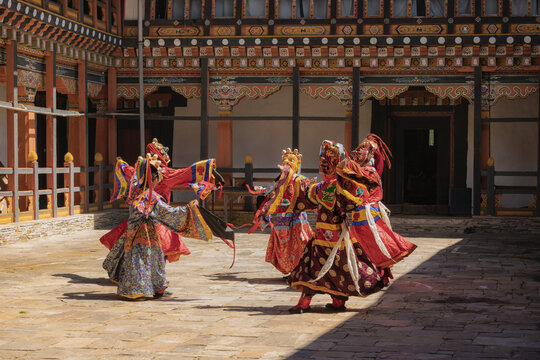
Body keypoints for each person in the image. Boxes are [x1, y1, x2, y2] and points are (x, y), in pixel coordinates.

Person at [259, 141, 390, 313]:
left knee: (312, 269)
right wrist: (291, 174)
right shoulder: (338, 187)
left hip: (326, 238)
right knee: (340, 268)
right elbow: (307, 191)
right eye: (323, 160)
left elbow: (306, 191)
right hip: (336, 237)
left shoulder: (331, 187)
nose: (323, 164)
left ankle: (306, 302)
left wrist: (292, 176)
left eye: (326, 161)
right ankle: (337, 301)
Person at [102, 154, 219, 299]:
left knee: (135, 261)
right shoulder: (151, 197)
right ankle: (153, 288)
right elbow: (169, 213)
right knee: (152, 261)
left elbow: (129, 171)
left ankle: (134, 289)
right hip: (148, 234)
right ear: (153, 179)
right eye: (157, 178)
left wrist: (121, 163)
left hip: (132, 233)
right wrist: (189, 208)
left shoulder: (134, 190)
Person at [100, 138, 222, 263]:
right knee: (159, 247)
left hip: (140, 214)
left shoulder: (140, 171)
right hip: (159, 215)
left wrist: (120, 163)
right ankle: (153, 277)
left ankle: (132, 274)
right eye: (163, 152)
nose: (165, 155)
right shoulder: (165, 173)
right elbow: (186, 173)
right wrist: (208, 169)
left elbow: (127, 170)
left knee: (133, 246)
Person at [348, 134, 417, 269]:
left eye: (361, 150)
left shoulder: (368, 172)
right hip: (363, 214)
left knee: (370, 243)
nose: (357, 153)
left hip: (366, 214)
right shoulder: (368, 171)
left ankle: (373, 271)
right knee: (366, 243)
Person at [252, 149, 313, 275]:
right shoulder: (279, 180)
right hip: (280, 218)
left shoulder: (299, 179)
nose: (287, 162)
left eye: (291, 160)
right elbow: (271, 191)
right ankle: (290, 269)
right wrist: (261, 191)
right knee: (283, 246)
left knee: (300, 242)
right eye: (285, 160)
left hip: (296, 217)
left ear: (297, 164)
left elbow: (308, 190)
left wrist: (310, 186)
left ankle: (298, 270)